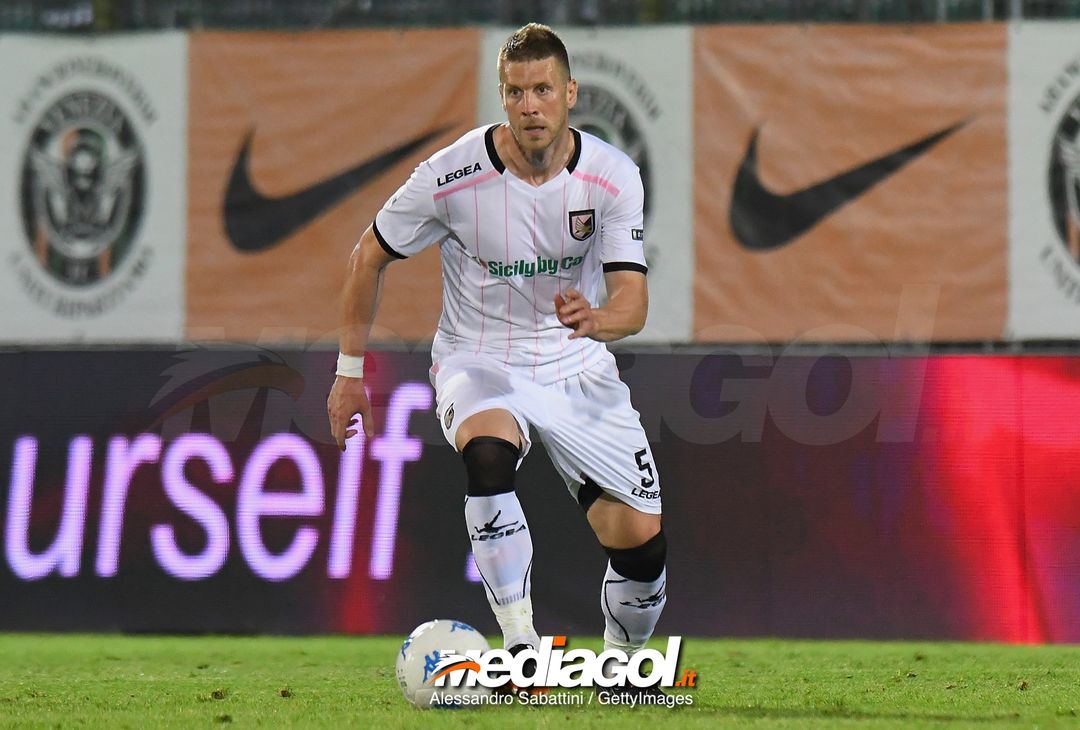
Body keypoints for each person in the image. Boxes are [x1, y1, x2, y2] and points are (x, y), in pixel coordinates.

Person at [327, 23, 666, 693]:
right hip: (479, 356)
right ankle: (519, 646)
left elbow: (633, 302)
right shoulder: (451, 175)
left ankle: (621, 667)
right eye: (515, 92)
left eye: (543, 90)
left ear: (570, 92)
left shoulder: (611, 176)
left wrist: (597, 319)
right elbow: (368, 255)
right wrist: (348, 372)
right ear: (502, 96)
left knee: (642, 548)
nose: (529, 106)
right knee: (486, 456)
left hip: (576, 364)